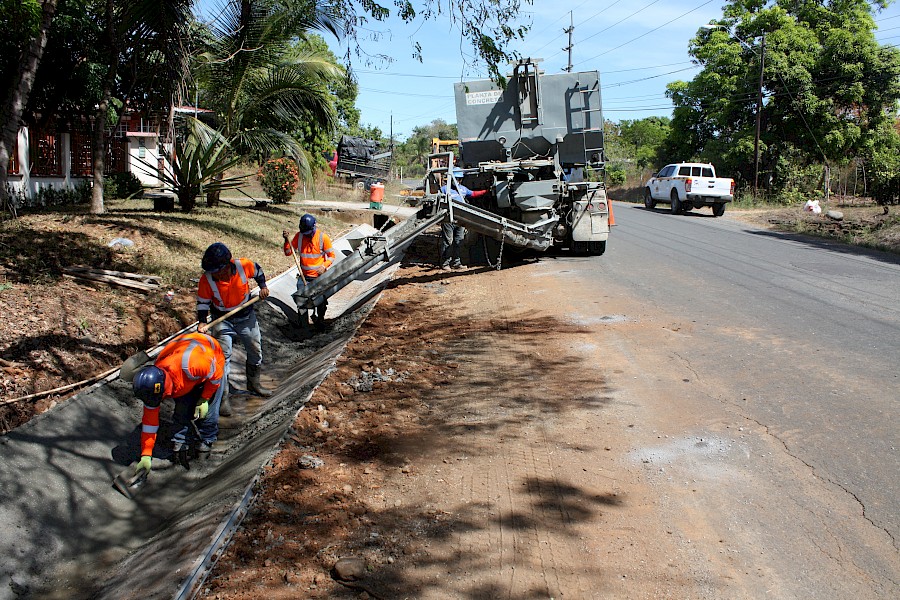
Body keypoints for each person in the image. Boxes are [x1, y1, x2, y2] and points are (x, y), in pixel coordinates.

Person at [132, 331, 224, 473]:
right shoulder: (152, 388)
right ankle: (182, 441)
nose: (161, 400)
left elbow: (216, 375)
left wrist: (205, 398)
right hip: (184, 378)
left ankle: (206, 441)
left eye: (163, 396)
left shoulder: (194, 363)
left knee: (208, 414)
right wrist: (146, 455)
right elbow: (150, 424)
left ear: (165, 385)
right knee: (182, 409)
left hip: (212, 358)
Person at [197, 243, 273, 415]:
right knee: (223, 360)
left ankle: (254, 383)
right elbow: (202, 302)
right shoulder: (207, 279)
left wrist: (263, 288)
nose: (214, 274)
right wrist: (202, 321)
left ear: (226, 265)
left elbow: (258, 271)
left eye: (217, 270)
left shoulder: (242, 266)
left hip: (246, 316)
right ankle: (222, 399)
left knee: (255, 350)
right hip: (222, 320)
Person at [283, 213, 336, 328]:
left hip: (319, 277)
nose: (307, 235)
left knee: (321, 301)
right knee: (301, 302)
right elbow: (288, 253)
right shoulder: (299, 236)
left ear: (314, 227)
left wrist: (324, 266)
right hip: (304, 276)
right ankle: (303, 326)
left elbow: (331, 255)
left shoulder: (323, 237)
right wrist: (286, 241)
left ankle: (320, 320)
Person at [439, 170, 487, 270]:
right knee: (448, 241)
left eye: (459, 179)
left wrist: (486, 191)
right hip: (448, 220)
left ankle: (456, 262)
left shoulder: (463, 189)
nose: (458, 181)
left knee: (458, 241)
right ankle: (445, 263)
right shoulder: (444, 189)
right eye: (456, 179)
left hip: (460, 220)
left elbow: (473, 194)